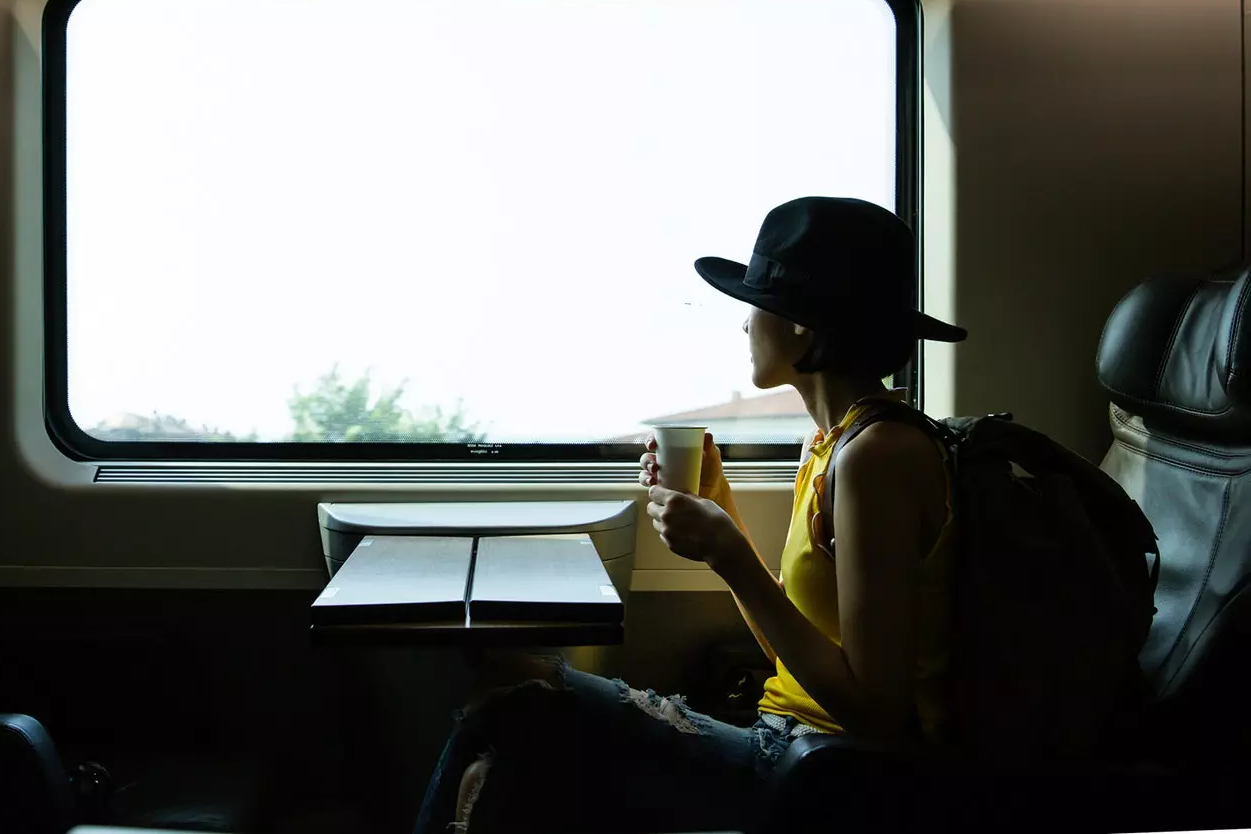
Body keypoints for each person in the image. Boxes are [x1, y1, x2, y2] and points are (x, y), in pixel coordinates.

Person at [412, 196, 968, 834]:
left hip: (821, 774)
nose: (743, 325)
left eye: (754, 304)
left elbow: (876, 712)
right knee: (505, 762)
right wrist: (719, 518)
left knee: (515, 692)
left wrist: (731, 556)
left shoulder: (880, 455)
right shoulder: (832, 444)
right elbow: (808, 645)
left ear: (801, 328)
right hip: (790, 741)